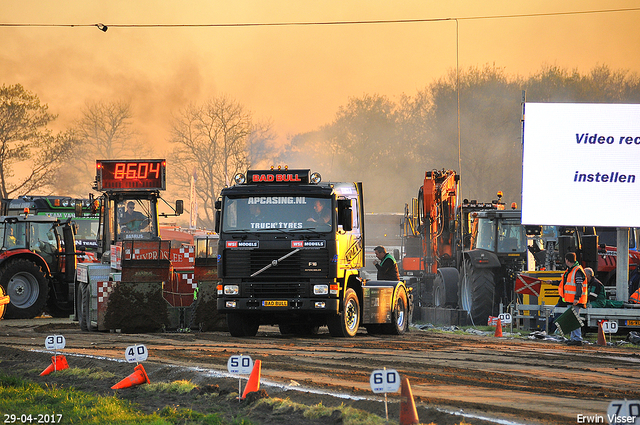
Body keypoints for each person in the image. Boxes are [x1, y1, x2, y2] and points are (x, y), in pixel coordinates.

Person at [556, 252, 587, 345]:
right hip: (571, 300)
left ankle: (577, 339)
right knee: (572, 319)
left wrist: (577, 298)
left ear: (567, 260)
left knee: (574, 319)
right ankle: (574, 338)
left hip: (575, 300)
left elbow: (579, 285)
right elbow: (565, 283)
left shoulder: (576, 270)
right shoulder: (572, 270)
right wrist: (553, 282)